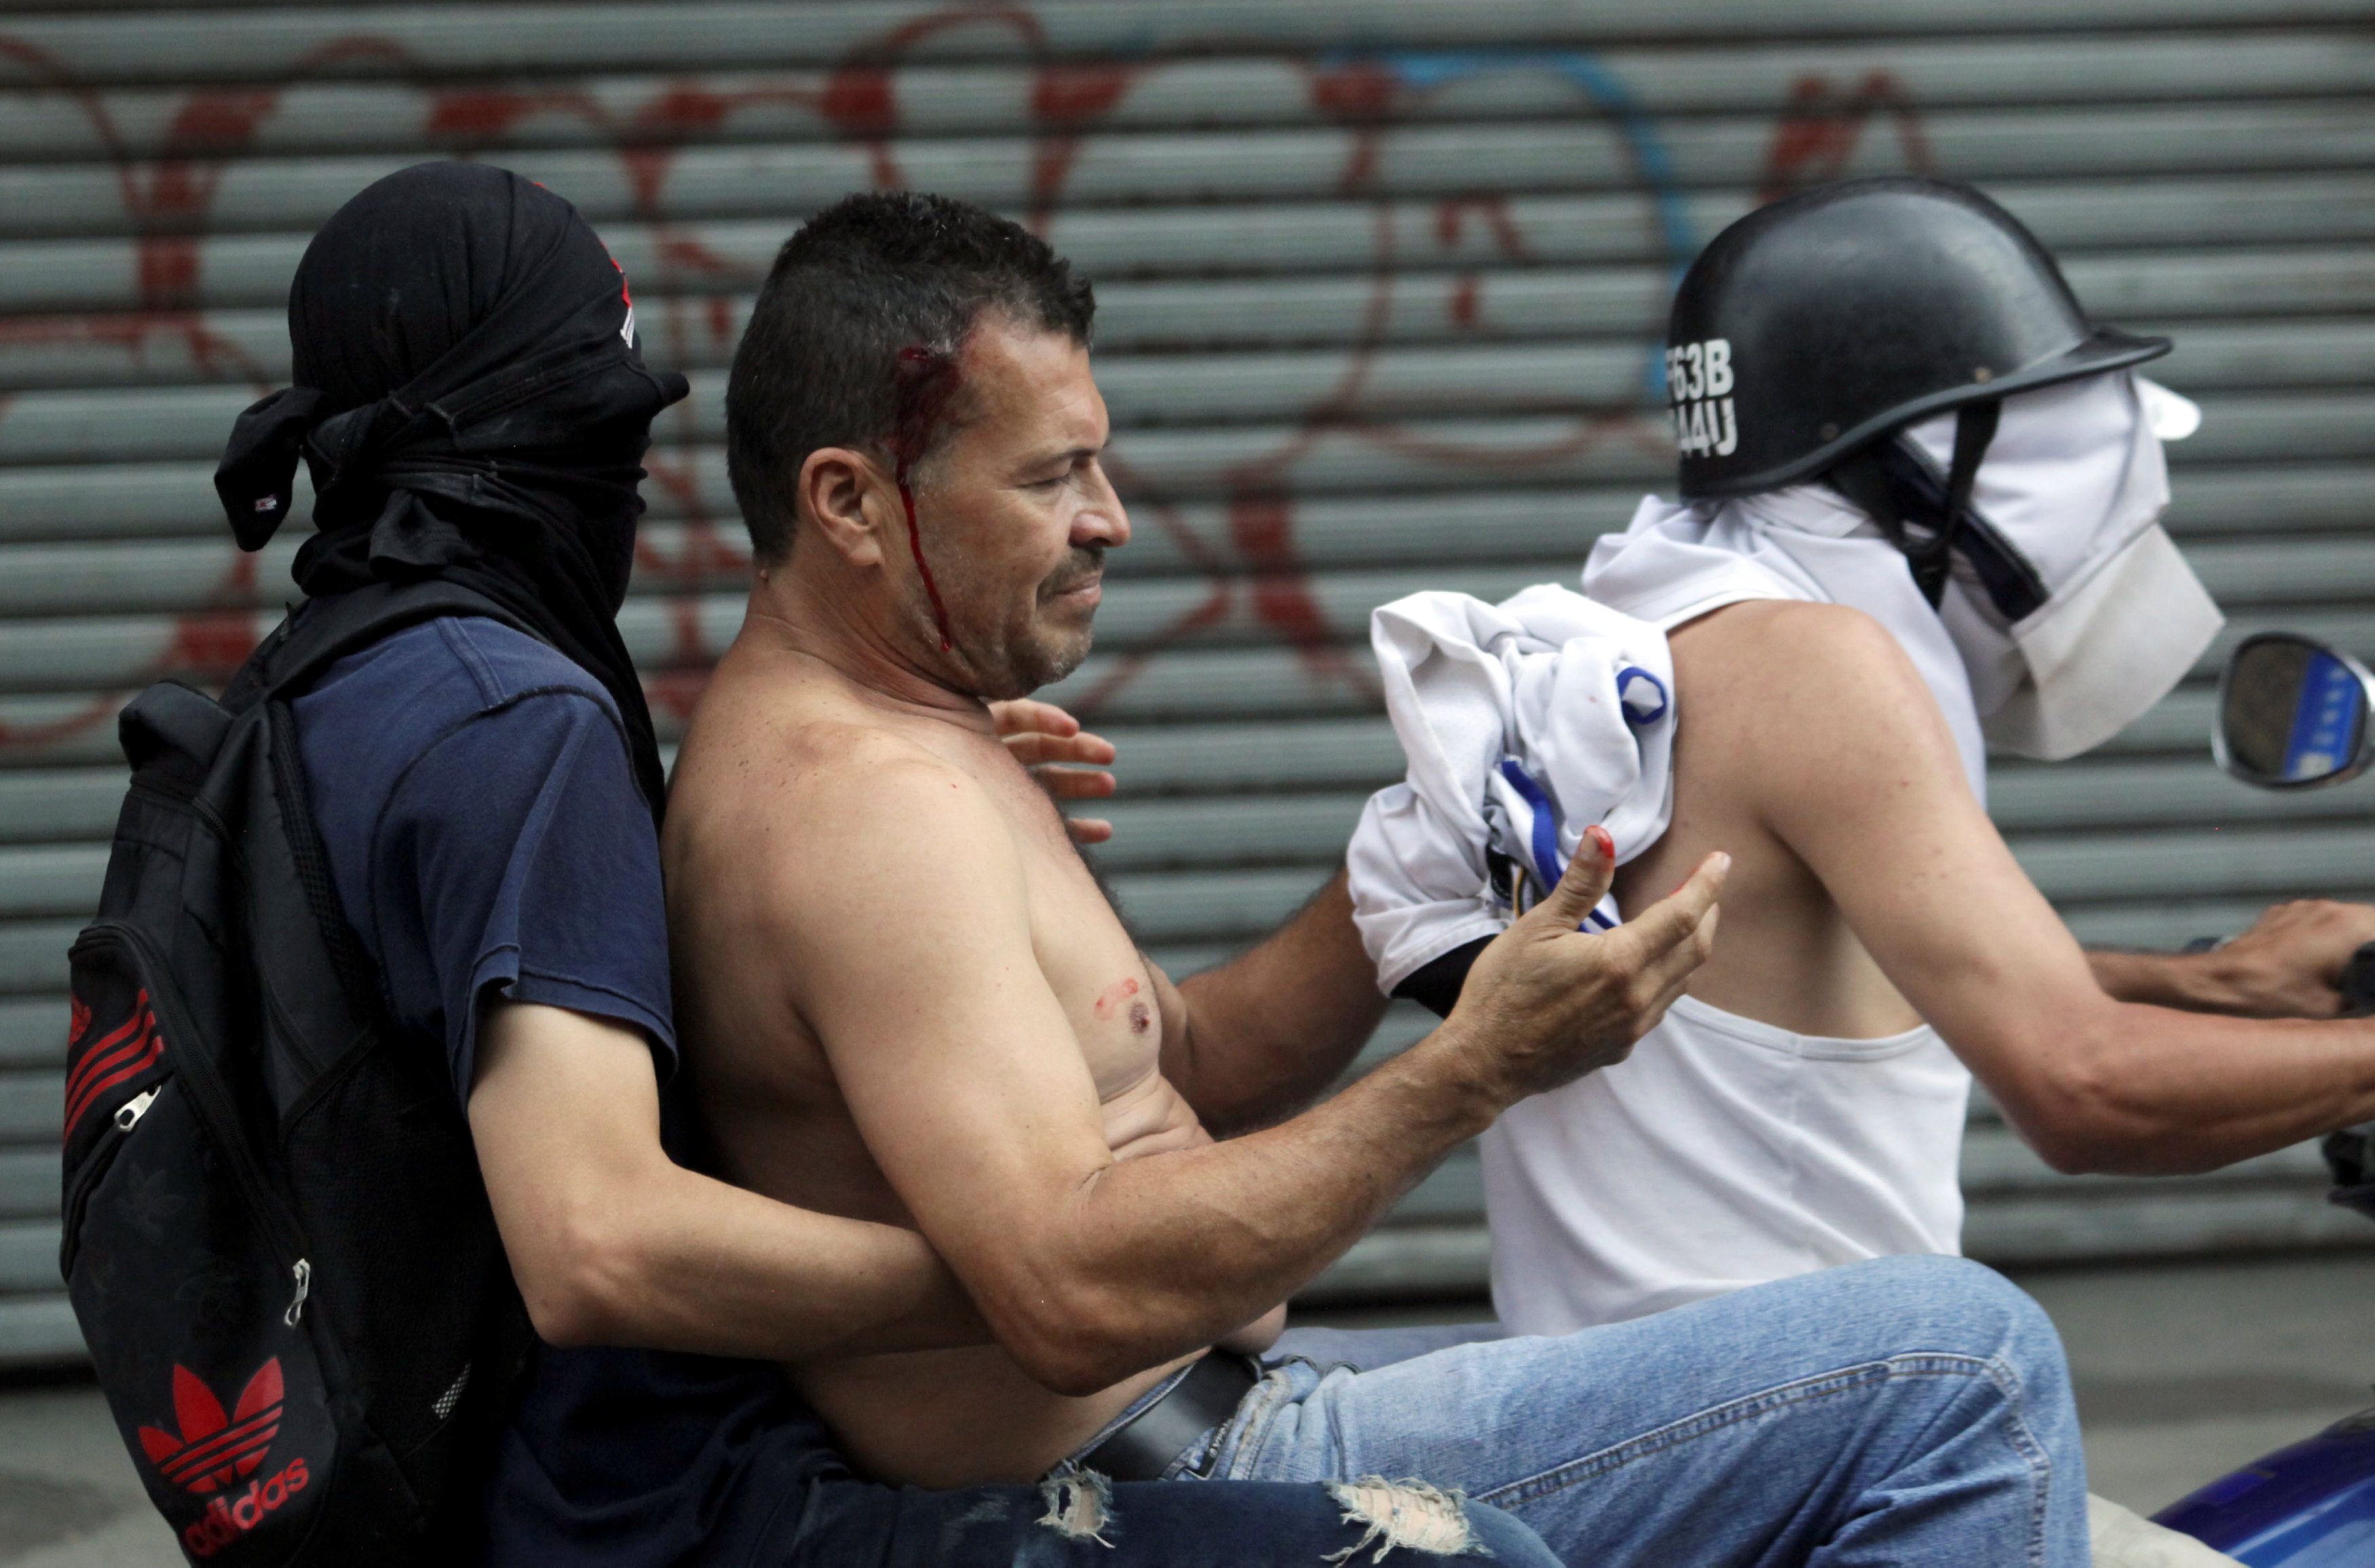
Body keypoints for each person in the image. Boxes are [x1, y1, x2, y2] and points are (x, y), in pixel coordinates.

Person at [663, 186, 2098, 1566]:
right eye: (1048, 477)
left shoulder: (914, 732)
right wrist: (1478, 1067)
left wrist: (1423, 842)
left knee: (1795, 1338)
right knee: (1959, 1364)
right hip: (1168, 1473)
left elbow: (1194, 1064)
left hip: (1215, 1406)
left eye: (1096, 459)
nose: (1107, 516)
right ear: (849, 501)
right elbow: (1067, 1290)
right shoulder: (868, 812)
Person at [221, 160, 1584, 1568]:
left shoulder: (335, 683)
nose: (626, 493)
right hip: (638, 1509)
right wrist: (1050, 1272)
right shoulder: (520, 722)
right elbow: (595, 1242)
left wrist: (1412, 865)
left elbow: (1175, 1057)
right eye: (606, 444)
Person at [1350, 176, 2375, 1342]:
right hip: (1804, 1454)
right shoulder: (1818, 666)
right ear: (1929, 459)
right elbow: (2085, 1086)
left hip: (1654, 1425)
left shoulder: (1658, 629)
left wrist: (2214, 983)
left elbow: (1806, 980)